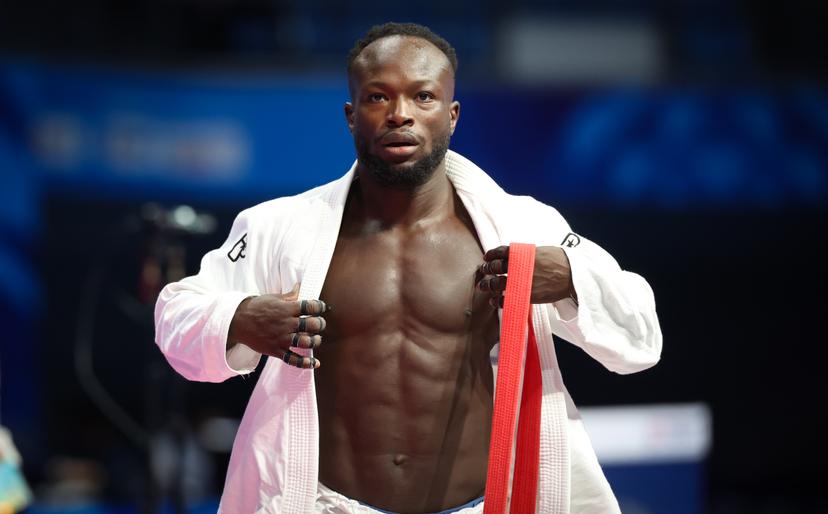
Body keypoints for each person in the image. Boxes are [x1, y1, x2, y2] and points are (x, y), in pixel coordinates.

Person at [154, 22, 662, 514]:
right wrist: (240, 318)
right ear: (351, 115)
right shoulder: (278, 227)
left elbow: (641, 339)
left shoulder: (522, 223)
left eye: (423, 97)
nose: (401, 114)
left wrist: (572, 277)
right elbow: (176, 314)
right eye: (379, 97)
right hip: (327, 505)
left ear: (452, 114)